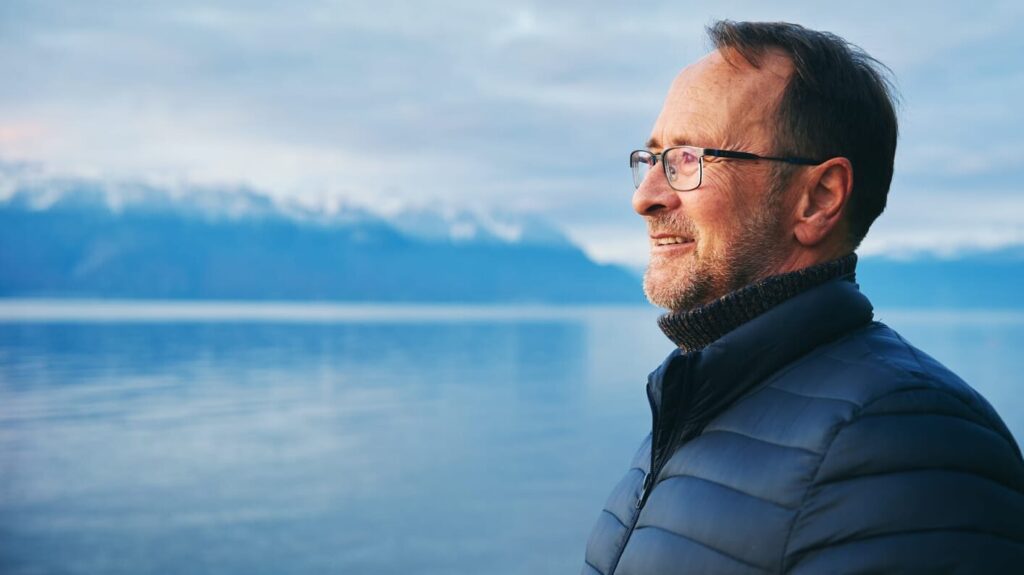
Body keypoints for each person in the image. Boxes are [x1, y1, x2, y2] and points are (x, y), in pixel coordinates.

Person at [581, 20, 1024, 574]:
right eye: (652, 159)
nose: (645, 197)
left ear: (818, 197)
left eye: (689, 158)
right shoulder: (697, 398)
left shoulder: (906, 439)